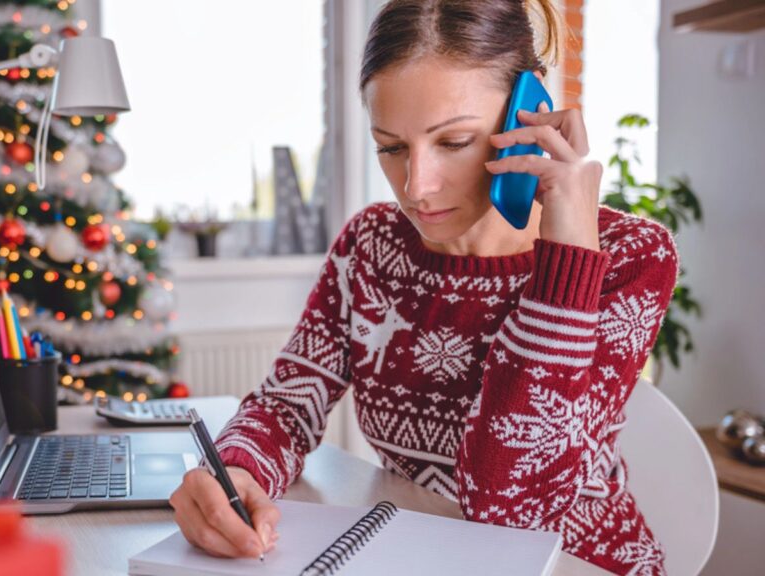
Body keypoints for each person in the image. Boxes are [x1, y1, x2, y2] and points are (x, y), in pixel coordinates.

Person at [169, 1, 676, 573]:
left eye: (454, 142)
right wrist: (236, 476)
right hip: (427, 557)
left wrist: (568, 264)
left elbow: (511, 511)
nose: (416, 187)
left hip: (581, 565)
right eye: (390, 147)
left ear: (527, 122)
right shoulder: (371, 244)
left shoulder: (629, 258)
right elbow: (288, 405)